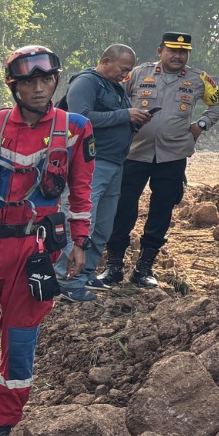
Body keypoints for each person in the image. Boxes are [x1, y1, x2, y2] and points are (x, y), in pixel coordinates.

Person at [0, 46, 94, 436]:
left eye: (46, 79)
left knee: (20, 340)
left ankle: (2, 423)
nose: (38, 88)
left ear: (56, 81)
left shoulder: (76, 128)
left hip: (35, 250)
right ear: (13, 86)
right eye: (29, 81)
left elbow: (81, 191)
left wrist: (81, 242)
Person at [99, 32, 219, 289]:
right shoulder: (137, 74)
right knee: (123, 208)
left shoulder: (198, 79)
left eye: (184, 52)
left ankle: (145, 267)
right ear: (160, 51)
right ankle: (114, 266)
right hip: (134, 152)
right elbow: (113, 97)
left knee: (161, 210)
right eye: (173, 50)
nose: (179, 56)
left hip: (173, 155)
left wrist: (201, 124)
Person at [58, 44, 147, 299]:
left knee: (103, 225)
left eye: (129, 71)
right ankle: (66, 281)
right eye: (123, 69)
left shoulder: (115, 88)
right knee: (81, 220)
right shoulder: (87, 82)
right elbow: (78, 118)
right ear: (106, 61)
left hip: (115, 163)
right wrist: (124, 115)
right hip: (91, 163)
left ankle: (85, 274)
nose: (126, 75)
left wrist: (134, 119)